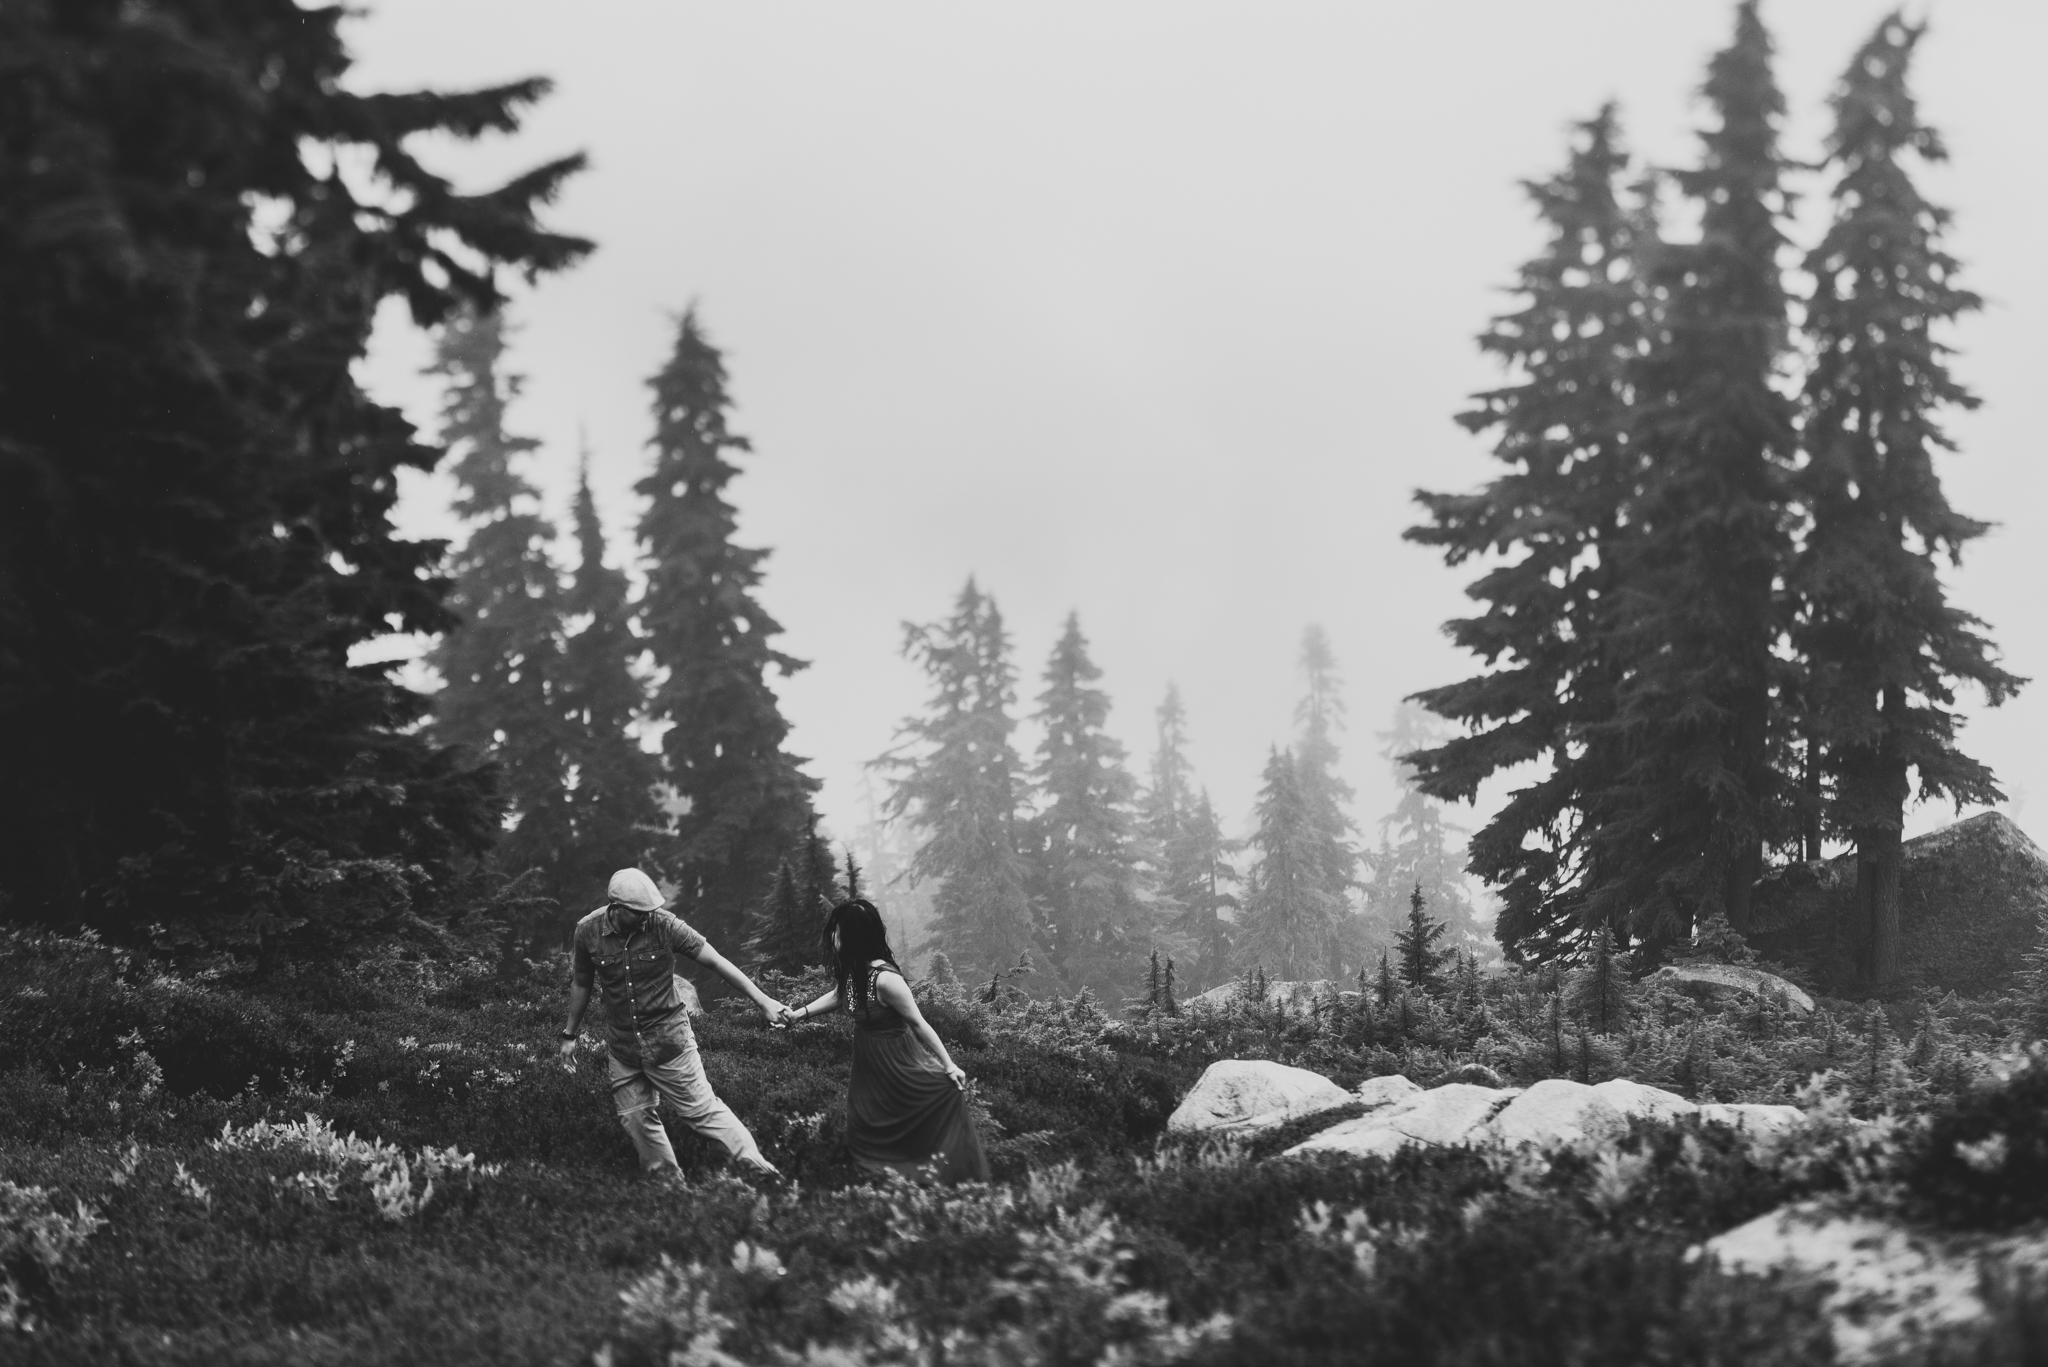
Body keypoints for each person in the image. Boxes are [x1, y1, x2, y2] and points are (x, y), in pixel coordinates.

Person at [557, 868, 784, 1183]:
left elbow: (716, 961)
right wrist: (570, 1034)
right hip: (623, 1049)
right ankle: (670, 1193)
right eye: (639, 913)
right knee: (635, 1119)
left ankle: (762, 1174)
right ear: (616, 908)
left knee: (704, 1113)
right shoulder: (587, 931)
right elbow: (581, 982)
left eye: (650, 910)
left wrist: (764, 1001)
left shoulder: (665, 925)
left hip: (670, 1043)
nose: (647, 917)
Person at [779, 898, 990, 1184]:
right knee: (865, 1119)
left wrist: (949, 1065)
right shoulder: (854, 969)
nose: (832, 937)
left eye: (837, 931)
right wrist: (799, 1014)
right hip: (869, 1064)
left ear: (853, 938)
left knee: (905, 1123)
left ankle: (930, 1182)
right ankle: (878, 1183)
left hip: (898, 1062)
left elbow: (918, 1023)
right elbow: (840, 994)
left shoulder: (886, 980)